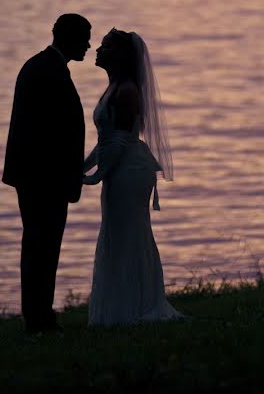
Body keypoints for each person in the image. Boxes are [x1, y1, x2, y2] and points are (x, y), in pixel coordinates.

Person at [83, 27, 182, 326]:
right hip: (119, 166)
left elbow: (120, 141)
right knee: (117, 234)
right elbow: (106, 141)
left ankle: (134, 306)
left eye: (106, 46)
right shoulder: (114, 86)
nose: (98, 49)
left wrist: (94, 175)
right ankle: (122, 306)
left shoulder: (126, 91)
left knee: (128, 235)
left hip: (128, 171)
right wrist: (83, 167)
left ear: (121, 56)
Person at [2, 13, 91, 333]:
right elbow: (48, 132)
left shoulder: (40, 66)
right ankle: (38, 318)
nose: (89, 46)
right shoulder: (48, 70)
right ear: (69, 37)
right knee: (43, 245)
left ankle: (39, 314)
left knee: (39, 245)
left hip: (37, 176)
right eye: (85, 38)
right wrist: (65, 175)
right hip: (43, 179)